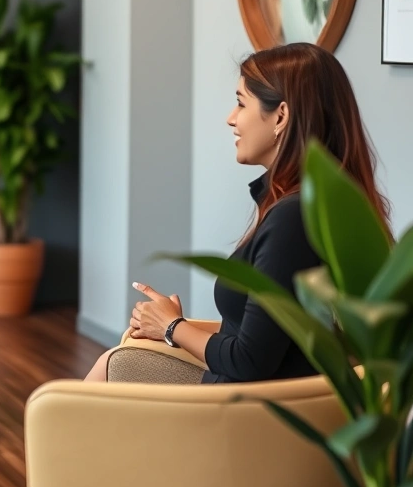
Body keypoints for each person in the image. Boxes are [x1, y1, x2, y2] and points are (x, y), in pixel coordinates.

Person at [84, 42, 391, 384]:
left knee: (105, 372)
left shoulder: (293, 218)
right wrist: (172, 327)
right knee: (113, 362)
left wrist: (172, 327)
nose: (231, 118)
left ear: (281, 116)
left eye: (241, 103)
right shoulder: (308, 206)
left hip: (246, 413)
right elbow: (270, 341)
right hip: (254, 396)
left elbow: (250, 361)